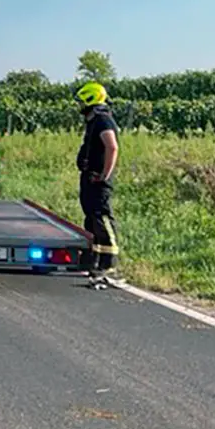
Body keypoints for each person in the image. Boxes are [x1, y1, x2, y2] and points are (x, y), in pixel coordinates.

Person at [74, 81, 121, 288]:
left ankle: (108, 263)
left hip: (98, 180)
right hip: (89, 178)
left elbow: (112, 147)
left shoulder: (103, 120)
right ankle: (93, 261)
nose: (79, 106)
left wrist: (104, 175)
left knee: (102, 218)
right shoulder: (94, 121)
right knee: (91, 219)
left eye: (82, 101)